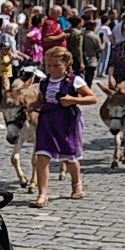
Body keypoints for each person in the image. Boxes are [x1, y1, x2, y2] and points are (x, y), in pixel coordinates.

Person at [28, 46, 96, 207]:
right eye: (48, 65)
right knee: (42, 156)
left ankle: (76, 183)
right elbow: (41, 100)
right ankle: (42, 194)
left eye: (56, 65)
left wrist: (73, 100)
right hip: (46, 120)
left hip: (66, 121)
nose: (51, 69)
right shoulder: (44, 82)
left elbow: (92, 98)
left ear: (66, 64)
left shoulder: (74, 80)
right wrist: (33, 104)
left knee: (69, 156)